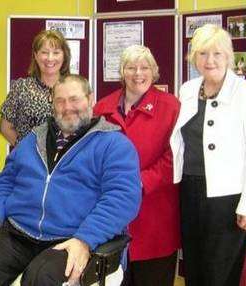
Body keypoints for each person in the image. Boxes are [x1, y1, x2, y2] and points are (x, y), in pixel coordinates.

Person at [0, 75, 142, 286]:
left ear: (90, 99)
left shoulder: (114, 144)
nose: (67, 107)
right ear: (52, 103)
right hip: (19, 232)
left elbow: (122, 198)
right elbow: (5, 182)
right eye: (60, 101)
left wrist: (85, 240)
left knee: (41, 277)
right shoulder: (32, 139)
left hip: (70, 237)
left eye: (74, 99)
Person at [170, 24, 246, 286]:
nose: (210, 60)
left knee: (219, 274)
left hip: (228, 199)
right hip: (190, 191)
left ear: (229, 56)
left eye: (217, 53)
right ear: (194, 58)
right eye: (202, 54)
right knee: (194, 267)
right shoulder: (188, 89)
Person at [94, 45, 180, 286]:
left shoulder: (171, 107)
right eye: (131, 67)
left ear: (154, 72)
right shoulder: (102, 108)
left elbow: (176, 156)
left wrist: (141, 181)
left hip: (155, 216)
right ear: (122, 72)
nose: (138, 73)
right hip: (112, 217)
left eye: (144, 67)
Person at [0, 30, 71, 146]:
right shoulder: (21, 88)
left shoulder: (74, 89)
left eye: (56, 52)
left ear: (64, 56)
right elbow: (5, 127)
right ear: (36, 55)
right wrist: (26, 151)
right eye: (44, 52)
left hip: (67, 160)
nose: (50, 58)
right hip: (29, 161)